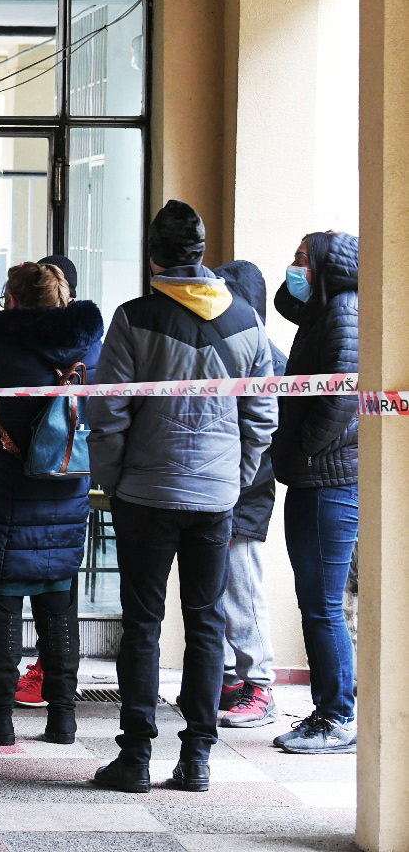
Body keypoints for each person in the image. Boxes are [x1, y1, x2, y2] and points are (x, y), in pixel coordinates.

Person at [87, 201, 276, 795]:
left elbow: (108, 411)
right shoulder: (247, 320)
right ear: (200, 254)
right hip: (215, 501)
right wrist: (234, 479)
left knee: (143, 625)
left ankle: (135, 758)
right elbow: (262, 417)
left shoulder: (133, 317)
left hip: (145, 495)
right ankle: (196, 758)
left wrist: (112, 481)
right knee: (206, 623)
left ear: (154, 258)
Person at [0, 261, 102, 747]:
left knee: (4, 604)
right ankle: (63, 720)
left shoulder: (2, 349)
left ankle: (0, 719)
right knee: (59, 604)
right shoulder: (89, 348)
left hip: (5, 491)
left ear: (11, 301)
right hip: (65, 488)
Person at [270, 231, 360, 754]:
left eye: (302, 259)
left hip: (328, 481)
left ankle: (336, 717)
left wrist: (303, 448)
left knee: (323, 605)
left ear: (325, 266)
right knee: (315, 602)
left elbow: (341, 398)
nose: (293, 266)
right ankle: (329, 711)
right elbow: (288, 304)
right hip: (314, 476)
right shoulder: (324, 309)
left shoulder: (344, 312)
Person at [12, 254, 100, 711]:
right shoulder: (94, 348)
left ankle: (41, 679)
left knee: (15, 589)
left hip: (22, 481)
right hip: (71, 479)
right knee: (59, 586)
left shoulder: (16, 346)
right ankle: (59, 697)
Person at [213, 261, 287, 730]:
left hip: (246, 492)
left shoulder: (269, 358)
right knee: (219, 591)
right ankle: (229, 681)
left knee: (242, 592)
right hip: (226, 489)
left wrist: (241, 482)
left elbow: (266, 433)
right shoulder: (234, 347)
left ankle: (259, 686)